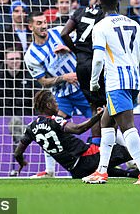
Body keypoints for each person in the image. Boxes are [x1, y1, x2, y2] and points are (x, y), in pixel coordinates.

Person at [14, 90, 140, 179]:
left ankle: (131, 174)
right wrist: (98, 116)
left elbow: (17, 153)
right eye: (55, 101)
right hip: (88, 158)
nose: (57, 103)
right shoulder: (55, 121)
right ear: (48, 104)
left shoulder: (31, 127)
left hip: (75, 171)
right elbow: (78, 129)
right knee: (130, 153)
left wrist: (22, 162)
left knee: (97, 154)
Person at [83, 0, 140, 184]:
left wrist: (93, 82)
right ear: (118, 2)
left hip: (116, 81)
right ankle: (102, 170)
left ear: (99, 3)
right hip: (133, 79)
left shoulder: (100, 26)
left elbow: (98, 60)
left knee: (127, 126)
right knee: (106, 122)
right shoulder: (133, 23)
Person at [24, 11, 91, 179]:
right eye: (39, 23)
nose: (44, 26)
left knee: (103, 121)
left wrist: (69, 48)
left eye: (45, 22)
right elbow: (43, 82)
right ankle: (50, 171)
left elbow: (85, 47)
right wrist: (64, 78)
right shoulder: (31, 56)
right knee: (49, 128)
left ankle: (130, 160)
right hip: (61, 96)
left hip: (82, 88)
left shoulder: (60, 32)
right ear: (30, 27)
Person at [60, 3, 107, 146]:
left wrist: (76, 51)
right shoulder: (105, 15)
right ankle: (110, 147)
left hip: (81, 65)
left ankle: (96, 145)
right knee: (108, 107)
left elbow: (64, 33)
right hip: (98, 64)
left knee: (94, 107)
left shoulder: (80, 11)